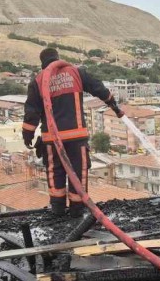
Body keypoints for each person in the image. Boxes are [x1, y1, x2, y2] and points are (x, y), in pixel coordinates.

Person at [22, 48, 124, 216]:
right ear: (58, 58)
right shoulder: (77, 73)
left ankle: (57, 210)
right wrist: (114, 106)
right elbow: (99, 88)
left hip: (52, 140)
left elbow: (31, 112)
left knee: (55, 172)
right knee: (78, 173)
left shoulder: (38, 81)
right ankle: (77, 211)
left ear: (42, 63)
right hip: (76, 138)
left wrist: (28, 135)